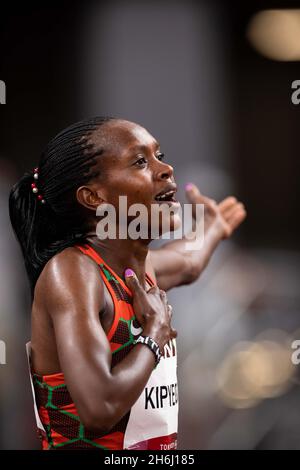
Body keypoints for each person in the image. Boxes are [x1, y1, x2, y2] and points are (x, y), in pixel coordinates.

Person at [9, 117, 246, 450]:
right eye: (140, 161)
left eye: (159, 154)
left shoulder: (134, 269)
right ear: (94, 197)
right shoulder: (73, 272)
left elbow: (188, 263)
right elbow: (99, 408)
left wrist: (213, 229)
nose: (166, 168)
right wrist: (153, 335)